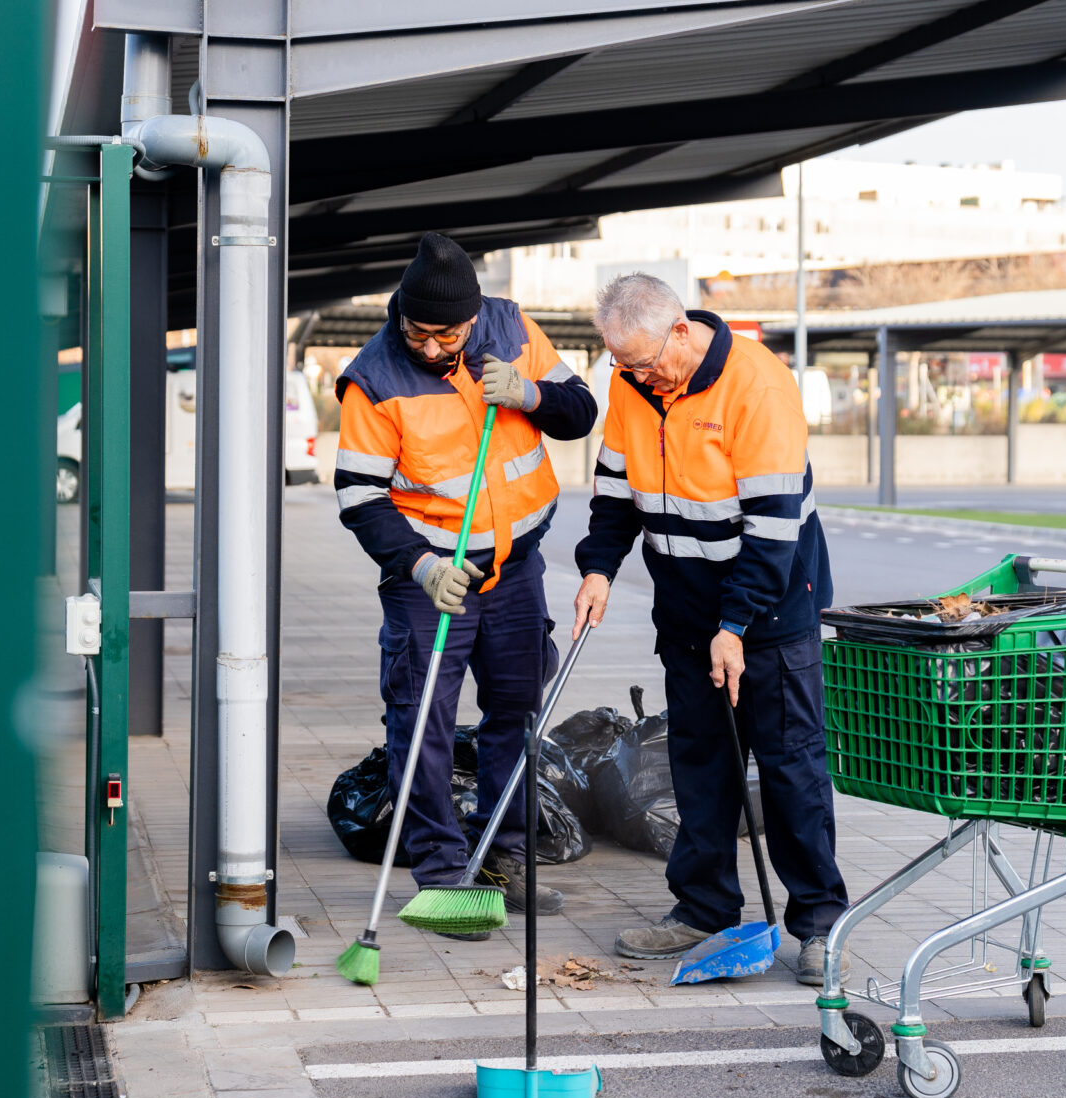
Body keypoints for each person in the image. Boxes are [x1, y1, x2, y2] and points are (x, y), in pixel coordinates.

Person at [572, 273, 847, 985]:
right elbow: (615, 492)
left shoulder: (758, 387)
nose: (636, 377)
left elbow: (774, 527)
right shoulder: (633, 387)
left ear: (681, 332)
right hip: (687, 613)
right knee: (699, 764)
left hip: (771, 610)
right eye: (622, 365)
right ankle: (703, 908)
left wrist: (736, 624)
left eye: (643, 363)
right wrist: (599, 568)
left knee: (789, 769)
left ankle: (820, 922)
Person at [334, 232, 597, 936]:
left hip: (516, 569)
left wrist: (531, 393)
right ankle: (443, 872)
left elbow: (579, 413)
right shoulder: (374, 378)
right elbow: (359, 496)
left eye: (445, 335)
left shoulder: (512, 328)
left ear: (472, 319)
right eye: (416, 332)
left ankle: (502, 852)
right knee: (421, 720)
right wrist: (421, 565)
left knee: (516, 710)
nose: (429, 347)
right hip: (431, 577)